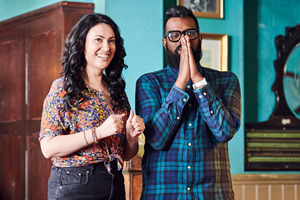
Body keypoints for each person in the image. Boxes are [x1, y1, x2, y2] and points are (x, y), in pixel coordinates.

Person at [136, 5, 241, 200]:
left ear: (200, 38)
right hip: (163, 195)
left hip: (213, 195)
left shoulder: (227, 80)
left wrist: (199, 83)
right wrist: (181, 83)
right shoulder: (148, 83)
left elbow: (224, 132)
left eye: (189, 33)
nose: (183, 41)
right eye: (174, 35)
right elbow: (156, 139)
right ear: (164, 42)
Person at [39, 13, 145, 200]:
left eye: (112, 41)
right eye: (98, 40)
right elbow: (48, 147)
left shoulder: (117, 91)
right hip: (75, 183)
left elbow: (126, 154)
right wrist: (98, 132)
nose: (106, 47)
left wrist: (130, 137)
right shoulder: (62, 87)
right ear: (82, 44)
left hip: (114, 182)